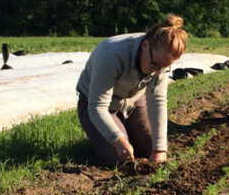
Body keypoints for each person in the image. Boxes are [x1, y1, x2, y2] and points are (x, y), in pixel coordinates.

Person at [76, 14, 188, 165]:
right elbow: (97, 107)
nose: (156, 72)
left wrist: (160, 149)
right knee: (119, 158)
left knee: (152, 149)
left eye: (163, 68)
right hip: (97, 106)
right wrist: (117, 139)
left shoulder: (159, 62)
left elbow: (158, 102)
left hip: (132, 101)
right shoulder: (111, 56)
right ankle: (107, 139)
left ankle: (125, 128)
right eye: (155, 65)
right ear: (145, 45)